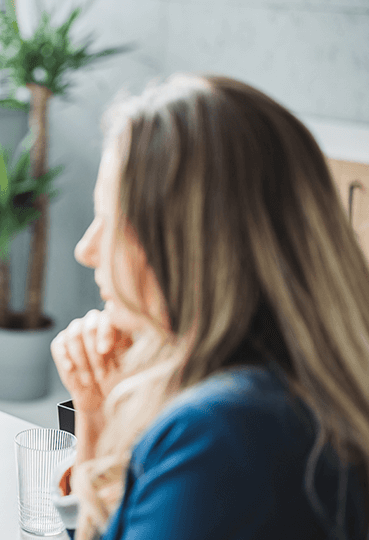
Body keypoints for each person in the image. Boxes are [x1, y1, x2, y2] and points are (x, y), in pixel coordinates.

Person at [48, 74, 369, 539]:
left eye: (108, 219)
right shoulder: (296, 391)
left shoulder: (215, 435)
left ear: (186, 245)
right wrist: (94, 418)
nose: (86, 249)